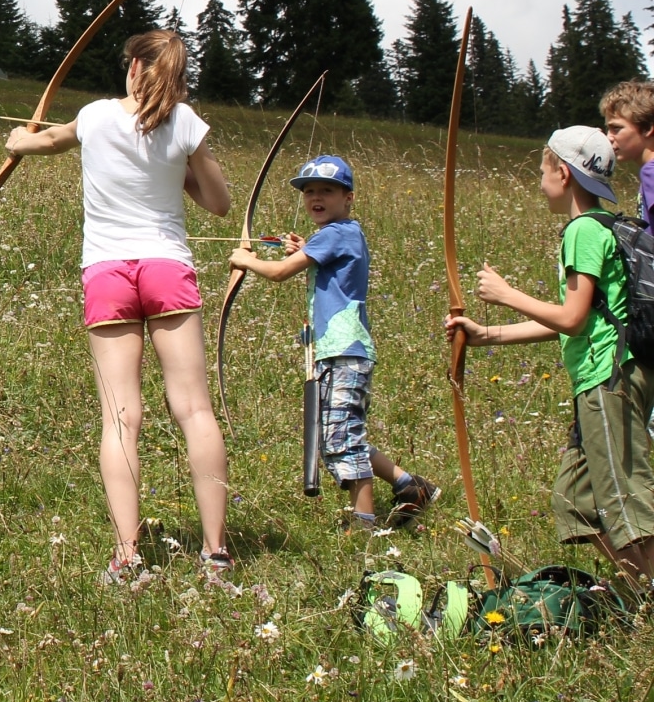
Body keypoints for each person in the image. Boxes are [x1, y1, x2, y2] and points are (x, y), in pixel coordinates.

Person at [3, 30, 234, 587]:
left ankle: (128, 556)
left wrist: (15, 138)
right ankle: (215, 555)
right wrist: (177, 166)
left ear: (133, 66)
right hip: (167, 268)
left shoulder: (96, 116)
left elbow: (35, 142)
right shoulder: (184, 123)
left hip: (107, 272)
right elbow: (220, 203)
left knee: (121, 416)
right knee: (195, 411)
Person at [444, 127, 654, 586]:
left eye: (542, 171)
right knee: (575, 498)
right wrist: (488, 333)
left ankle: (647, 588)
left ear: (562, 172)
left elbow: (573, 318)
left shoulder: (582, 230)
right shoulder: (601, 225)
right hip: (604, 379)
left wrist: (506, 294)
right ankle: (638, 586)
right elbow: (577, 316)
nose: (540, 182)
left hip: (607, 380)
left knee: (623, 501)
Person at [229, 154, 439, 530]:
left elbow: (277, 273)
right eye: (309, 192)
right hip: (336, 351)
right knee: (338, 432)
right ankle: (411, 487)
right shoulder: (338, 235)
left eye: (327, 190)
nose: (315, 198)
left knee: (341, 438)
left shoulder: (336, 234)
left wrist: (245, 260)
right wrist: (303, 249)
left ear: (349, 197)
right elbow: (326, 266)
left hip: (344, 351)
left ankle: (364, 523)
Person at [600, 80, 654, 224]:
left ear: (648, 128)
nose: (608, 137)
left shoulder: (651, 172)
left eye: (616, 128)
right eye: (608, 129)